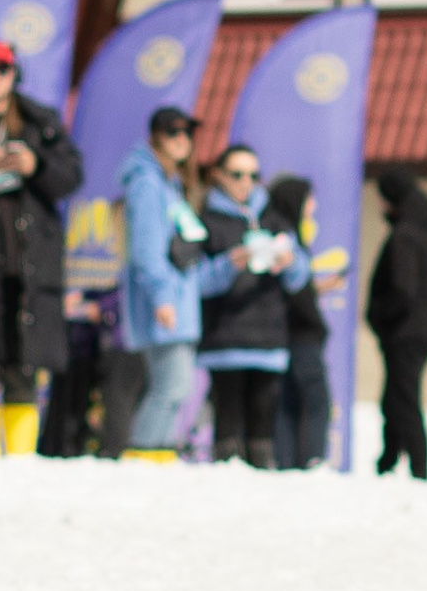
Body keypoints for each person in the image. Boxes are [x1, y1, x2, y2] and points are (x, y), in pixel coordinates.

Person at [0, 36, 83, 454]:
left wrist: (35, 164)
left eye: (2, 70)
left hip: (29, 261)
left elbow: (71, 176)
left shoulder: (38, 120)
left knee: (24, 361)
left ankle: (22, 456)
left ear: (14, 74)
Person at [197, 142, 298, 464]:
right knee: (227, 418)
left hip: (268, 337)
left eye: (254, 175)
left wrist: (290, 262)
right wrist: (230, 264)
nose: (246, 182)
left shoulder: (274, 219)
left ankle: (262, 489)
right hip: (224, 337)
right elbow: (196, 282)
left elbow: (300, 278)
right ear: (218, 176)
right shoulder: (206, 220)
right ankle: (223, 483)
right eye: (237, 174)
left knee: (262, 421)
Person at [119, 106, 209, 460]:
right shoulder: (147, 183)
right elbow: (146, 250)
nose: (182, 140)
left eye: (187, 132)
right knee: (170, 387)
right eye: (173, 132)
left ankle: (157, 454)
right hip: (166, 305)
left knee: (174, 388)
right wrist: (163, 298)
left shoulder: (169, 184)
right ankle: (144, 454)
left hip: (178, 302)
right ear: (155, 136)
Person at [367, 168, 427, 479]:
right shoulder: (425, 231)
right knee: (396, 397)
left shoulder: (405, 235)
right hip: (417, 327)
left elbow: (402, 290)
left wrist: (379, 315)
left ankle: (417, 467)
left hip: (404, 330)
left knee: (404, 399)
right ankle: (390, 458)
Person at [264, 174, 334, 470]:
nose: (313, 206)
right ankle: (311, 459)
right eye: (309, 199)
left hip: (290, 331)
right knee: (314, 399)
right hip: (299, 332)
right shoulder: (283, 237)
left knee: (288, 401)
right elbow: (293, 288)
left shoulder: (283, 233)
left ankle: (288, 461)